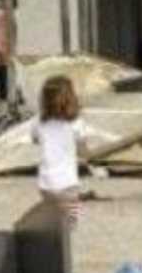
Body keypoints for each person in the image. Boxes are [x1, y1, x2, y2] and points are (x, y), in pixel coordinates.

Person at [30, 76, 108, 230]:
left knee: (52, 219)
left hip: (45, 184)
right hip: (67, 183)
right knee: (71, 221)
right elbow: (83, 152)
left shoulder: (39, 121)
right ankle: (65, 240)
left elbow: (35, 139)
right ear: (72, 99)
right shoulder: (76, 124)